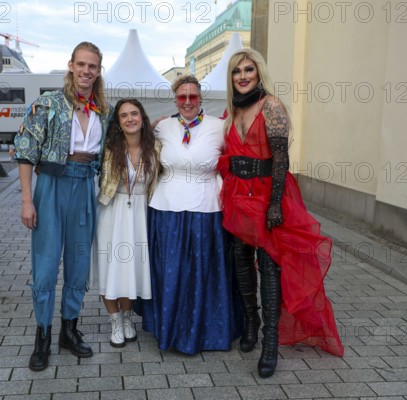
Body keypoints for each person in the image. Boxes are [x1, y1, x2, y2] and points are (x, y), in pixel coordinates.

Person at [218, 48, 344, 378]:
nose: (243, 76)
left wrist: (275, 203)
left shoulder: (271, 105)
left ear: (259, 73)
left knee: (270, 266)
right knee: (241, 259)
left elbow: (281, 159)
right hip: (237, 195)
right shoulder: (231, 111)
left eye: (248, 70)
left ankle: (270, 345)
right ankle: (251, 322)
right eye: (236, 71)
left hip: (267, 195)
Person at [14, 42, 112, 371]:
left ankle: (69, 330)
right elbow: (26, 151)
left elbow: (114, 150)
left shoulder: (102, 110)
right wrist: (27, 200)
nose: (86, 71)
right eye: (81, 64)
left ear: (99, 71)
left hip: (85, 186)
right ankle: (42, 335)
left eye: (93, 66)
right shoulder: (49, 103)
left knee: (79, 262)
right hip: (52, 186)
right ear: (70, 65)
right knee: (45, 265)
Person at [142, 75, 243, 354]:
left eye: (193, 97)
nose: (187, 102)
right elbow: (136, 142)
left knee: (204, 272)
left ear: (201, 99)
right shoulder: (163, 126)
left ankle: (207, 331)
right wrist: (149, 125)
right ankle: (170, 329)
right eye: (182, 97)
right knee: (170, 272)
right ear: (175, 99)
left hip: (207, 210)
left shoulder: (219, 127)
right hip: (166, 209)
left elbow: (237, 159)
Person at [94, 99, 160, 347]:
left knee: (132, 269)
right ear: (118, 123)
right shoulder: (108, 148)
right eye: (124, 116)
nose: (130, 119)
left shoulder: (155, 147)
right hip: (112, 211)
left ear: (142, 118)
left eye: (134, 114)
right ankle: (115, 320)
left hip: (141, 215)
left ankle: (128, 317)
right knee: (111, 267)